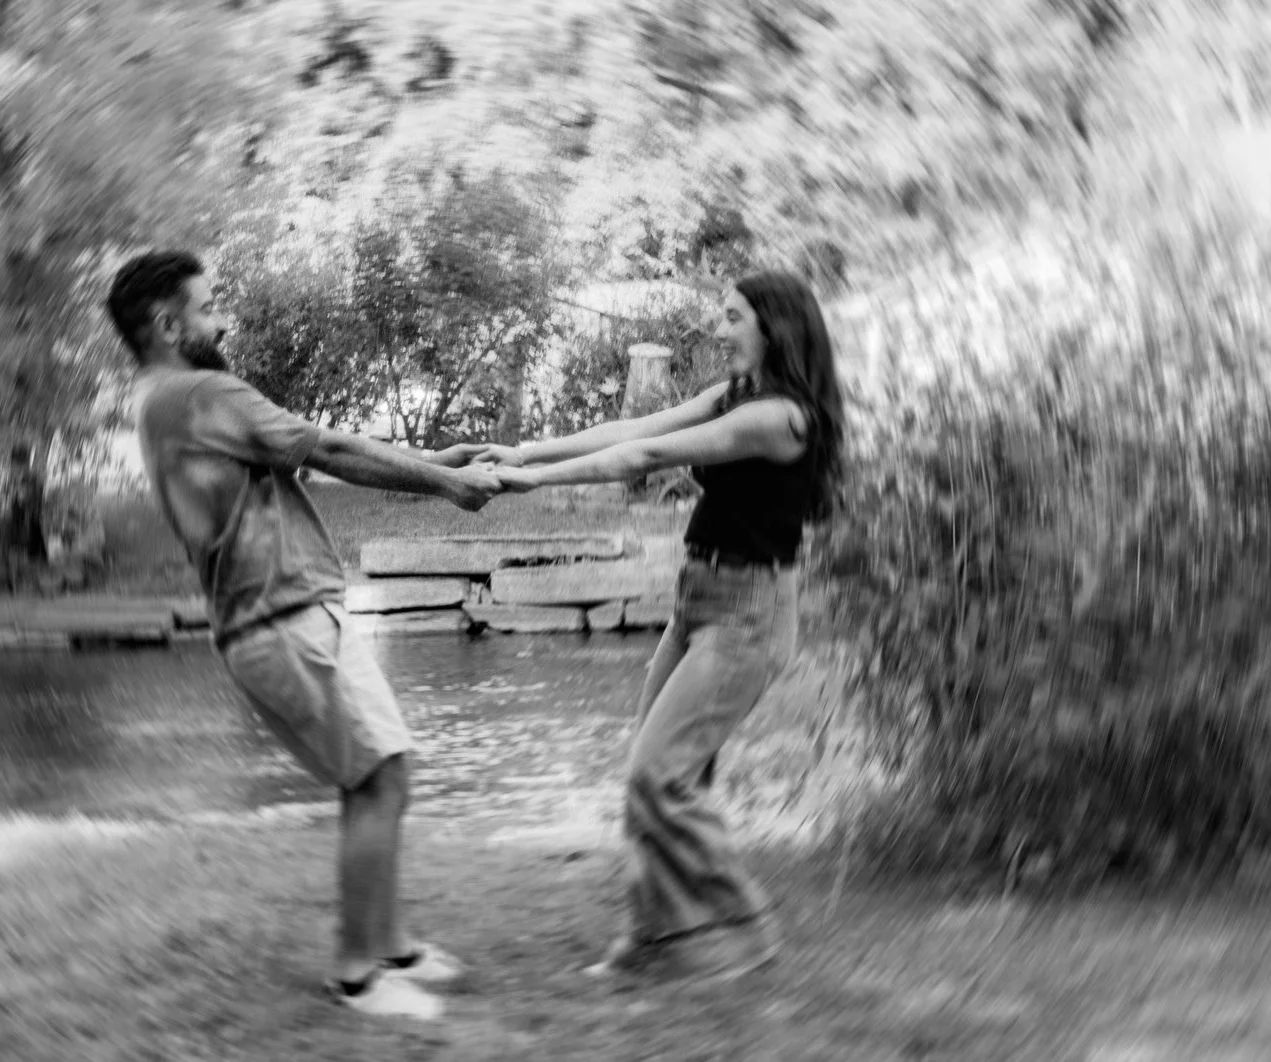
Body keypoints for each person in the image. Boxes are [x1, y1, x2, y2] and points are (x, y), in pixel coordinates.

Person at [105, 249, 502, 1020]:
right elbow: (327, 449)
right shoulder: (198, 393)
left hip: (283, 616)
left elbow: (305, 450)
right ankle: (359, 976)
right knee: (377, 780)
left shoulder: (160, 399)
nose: (222, 323)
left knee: (384, 773)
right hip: (282, 620)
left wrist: (427, 460)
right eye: (208, 308)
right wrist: (448, 484)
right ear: (168, 325)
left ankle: (392, 947)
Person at [472, 271, 842, 986]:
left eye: (732, 316)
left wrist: (530, 483)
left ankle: (740, 924)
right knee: (654, 777)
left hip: (747, 614)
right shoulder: (738, 395)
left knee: (657, 776)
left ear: (775, 327)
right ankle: (657, 940)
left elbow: (647, 458)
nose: (718, 328)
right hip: (699, 599)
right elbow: (635, 430)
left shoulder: (783, 418)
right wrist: (523, 454)